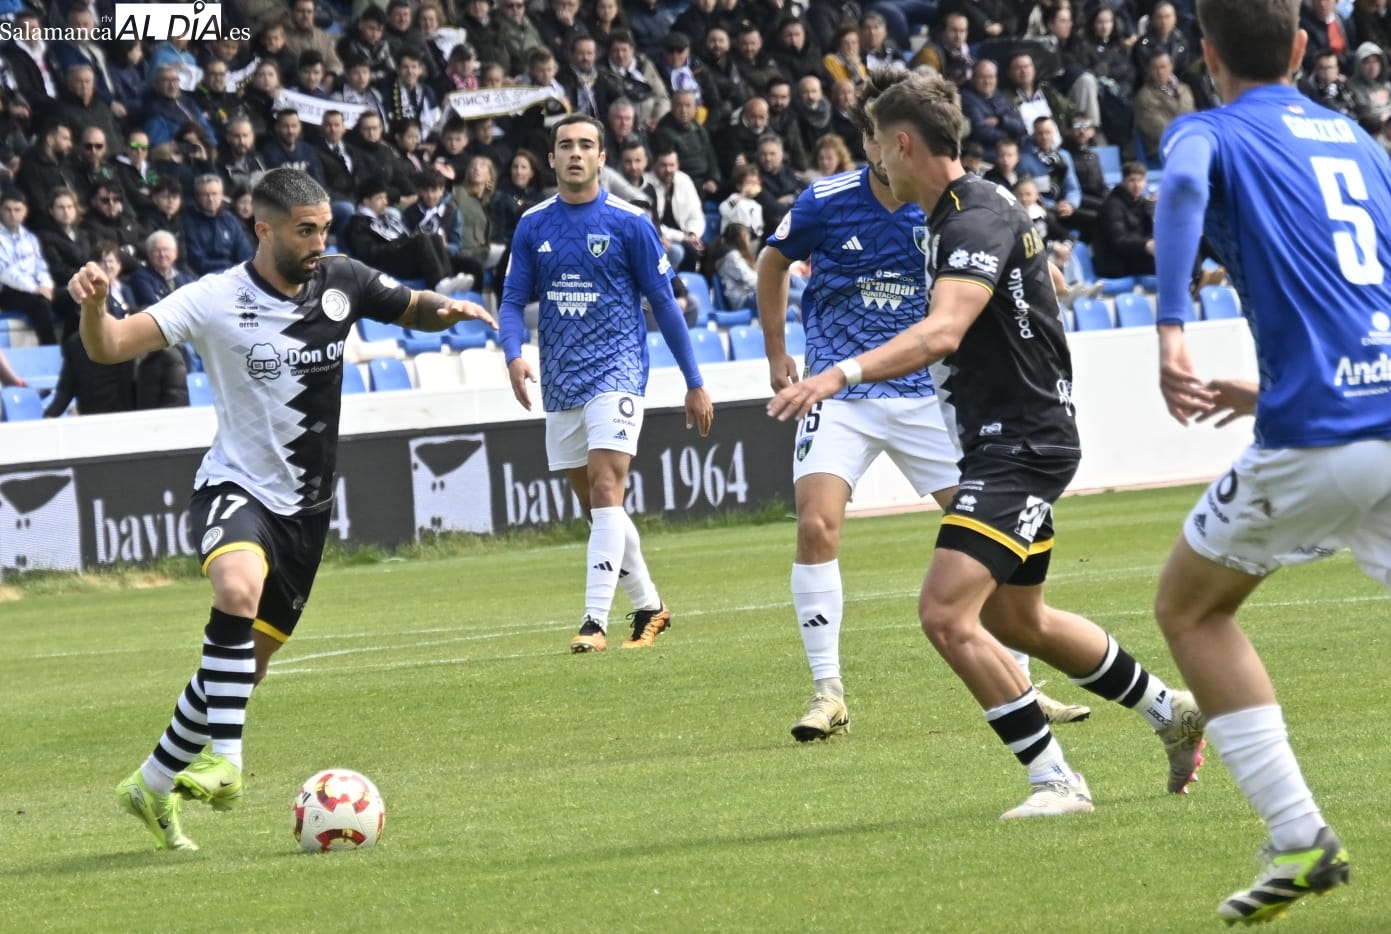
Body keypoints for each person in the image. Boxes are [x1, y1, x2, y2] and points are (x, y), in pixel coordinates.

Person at [767, 72, 1206, 819]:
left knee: (944, 614)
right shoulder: (971, 209)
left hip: (1019, 446)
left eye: (877, 146)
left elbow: (943, 330)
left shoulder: (971, 219)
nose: (875, 162)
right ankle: (1169, 710)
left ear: (903, 143)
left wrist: (835, 374)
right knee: (1015, 620)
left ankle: (1055, 781)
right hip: (1011, 441)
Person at [72, 167, 494, 852]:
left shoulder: (344, 280)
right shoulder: (213, 299)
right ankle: (228, 764)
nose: (318, 241)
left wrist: (449, 309)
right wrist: (93, 307)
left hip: (307, 511)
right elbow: (111, 345)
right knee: (236, 589)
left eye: (324, 227)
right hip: (236, 486)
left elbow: (409, 305)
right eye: (305, 230)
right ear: (262, 229)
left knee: (241, 667)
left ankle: (149, 785)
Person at [757, 69, 1090, 742]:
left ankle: (1020, 682)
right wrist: (775, 353)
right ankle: (827, 692)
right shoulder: (827, 201)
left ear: (899, 143)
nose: (878, 154)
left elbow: (996, 273)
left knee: (994, 537)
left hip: (924, 395)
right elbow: (770, 261)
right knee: (816, 526)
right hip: (840, 392)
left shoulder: (948, 207)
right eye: (871, 143)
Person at [1150, 0, 1380, 922]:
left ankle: (1297, 836)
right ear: (1299, 49)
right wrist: (1270, 391)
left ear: (1205, 56)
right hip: (1383, 411)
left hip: (1323, 436)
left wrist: (1169, 329)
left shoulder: (1205, 128)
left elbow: (1177, 187)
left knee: (1188, 608)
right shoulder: (1360, 142)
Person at [498, 114, 714, 654]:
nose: (575, 153)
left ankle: (594, 621)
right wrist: (513, 355)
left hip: (617, 368)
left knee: (604, 487)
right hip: (560, 377)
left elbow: (664, 304)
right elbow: (509, 302)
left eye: (586, 145)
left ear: (602, 158)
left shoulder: (630, 223)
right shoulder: (532, 225)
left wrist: (694, 381)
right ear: (551, 159)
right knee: (598, 507)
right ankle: (650, 607)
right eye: (565, 145)